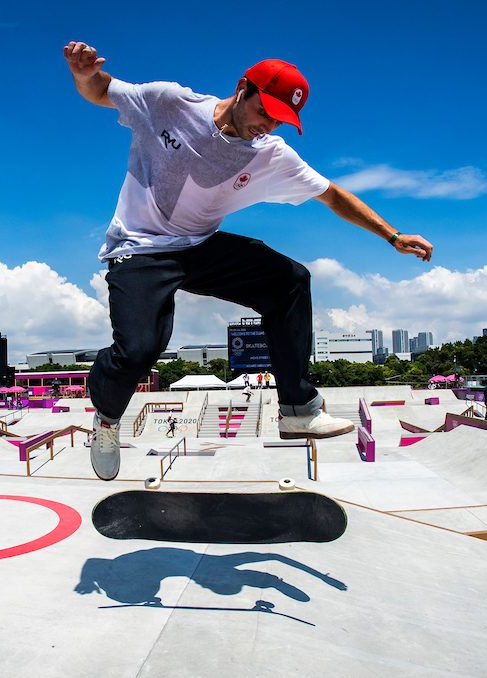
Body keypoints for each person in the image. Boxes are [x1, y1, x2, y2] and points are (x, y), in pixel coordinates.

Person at [64, 41, 432, 480]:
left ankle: (297, 407)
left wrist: (391, 236)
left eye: (280, 119)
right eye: (265, 112)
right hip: (139, 249)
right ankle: (106, 417)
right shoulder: (170, 102)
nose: (268, 125)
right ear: (242, 88)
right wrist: (84, 74)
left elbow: (332, 195)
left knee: (289, 280)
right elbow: (102, 90)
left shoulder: (272, 155)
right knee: (140, 349)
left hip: (199, 246)